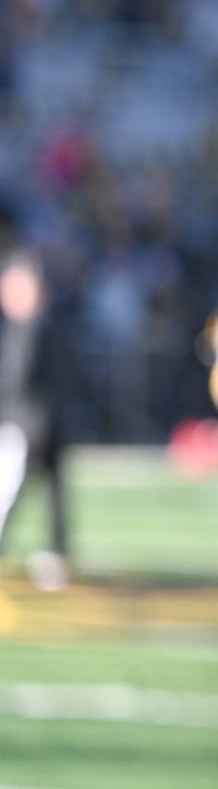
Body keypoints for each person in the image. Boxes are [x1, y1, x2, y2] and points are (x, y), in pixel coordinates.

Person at [0, 201, 68, 591]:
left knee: (13, 488)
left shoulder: (32, 326)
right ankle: (57, 555)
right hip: (40, 419)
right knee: (45, 491)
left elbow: (17, 379)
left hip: (28, 421)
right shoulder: (40, 323)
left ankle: (55, 555)